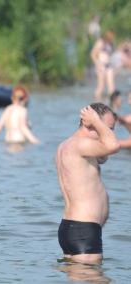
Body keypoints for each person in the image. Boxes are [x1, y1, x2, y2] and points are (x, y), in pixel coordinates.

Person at [56, 103, 120, 264]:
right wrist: (96, 122)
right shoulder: (80, 145)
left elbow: (103, 157)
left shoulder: (68, 145)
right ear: (89, 123)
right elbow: (113, 146)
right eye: (109, 128)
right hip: (84, 230)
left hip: (72, 228)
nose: (110, 133)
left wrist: (99, 127)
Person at [91, 31, 115, 102]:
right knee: (101, 86)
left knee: (111, 86)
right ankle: (96, 103)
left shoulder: (111, 43)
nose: (112, 37)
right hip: (101, 65)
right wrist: (97, 64)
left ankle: (112, 104)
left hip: (109, 65)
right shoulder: (100, 42)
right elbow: (93, 54)